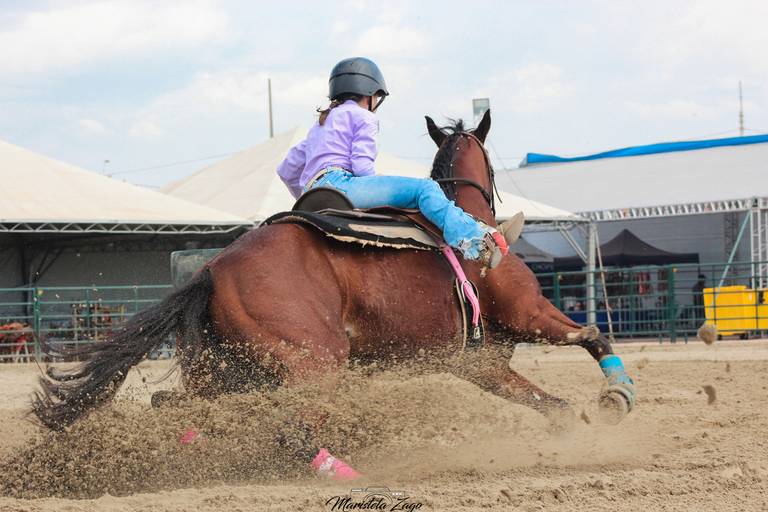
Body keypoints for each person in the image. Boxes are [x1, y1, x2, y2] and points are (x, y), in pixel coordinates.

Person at [277, 57, 516, 266]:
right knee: (425, 189)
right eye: (377, 97)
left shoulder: (319, 126)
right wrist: (374, 188)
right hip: (343, 185)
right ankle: (479, 242)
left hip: (313, 193)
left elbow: (286, 170)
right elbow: (361, 167)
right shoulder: (363, 117)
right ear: (370, 94)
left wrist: (307, 195)